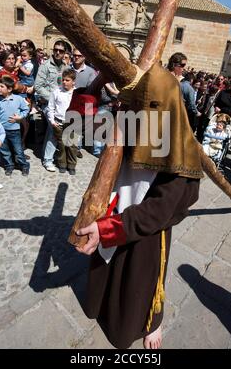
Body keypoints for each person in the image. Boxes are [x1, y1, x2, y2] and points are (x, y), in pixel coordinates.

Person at [75, 62, 203, 349]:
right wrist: (96, 87)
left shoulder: (181, 145)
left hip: (146, 230)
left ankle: (151, 323)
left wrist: (110, 228)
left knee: (140, 279)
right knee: (107, 268)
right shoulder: (129, 119)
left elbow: (164, 209)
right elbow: (78, 124)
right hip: (113, 207)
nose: (135, 113)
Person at [35, 39, 68, 171]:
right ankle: (48, 160)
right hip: (48, 105)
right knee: (54, 131)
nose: (58, 53)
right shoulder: (45, 66)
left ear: (65, 53)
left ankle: (47, 156)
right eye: (56, 50)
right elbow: (38, 86)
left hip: (60, 106)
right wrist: (53, 98)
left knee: (52, 132)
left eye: (61, 51)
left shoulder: (65, 67)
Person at [0, 76, 30, 176]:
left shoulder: (18, 99)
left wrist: (20, 117)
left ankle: (24, 165)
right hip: (2, 131)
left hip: (14, 130)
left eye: (1, 86)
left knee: (18, 150)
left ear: (9, 89)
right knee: (5, 150)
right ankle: (9, 166)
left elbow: (26, 110)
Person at [47, 69, 77, 175]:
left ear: (73, 81)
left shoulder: (76, 93)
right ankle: (62, 164)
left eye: (67, 80)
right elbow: (50, 107)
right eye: (63, 80)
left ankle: (72, 165)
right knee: (62, 145)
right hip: (59, 122)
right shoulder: (56, 91)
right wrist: (52, 121)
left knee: (72, 146)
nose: (64, 82)